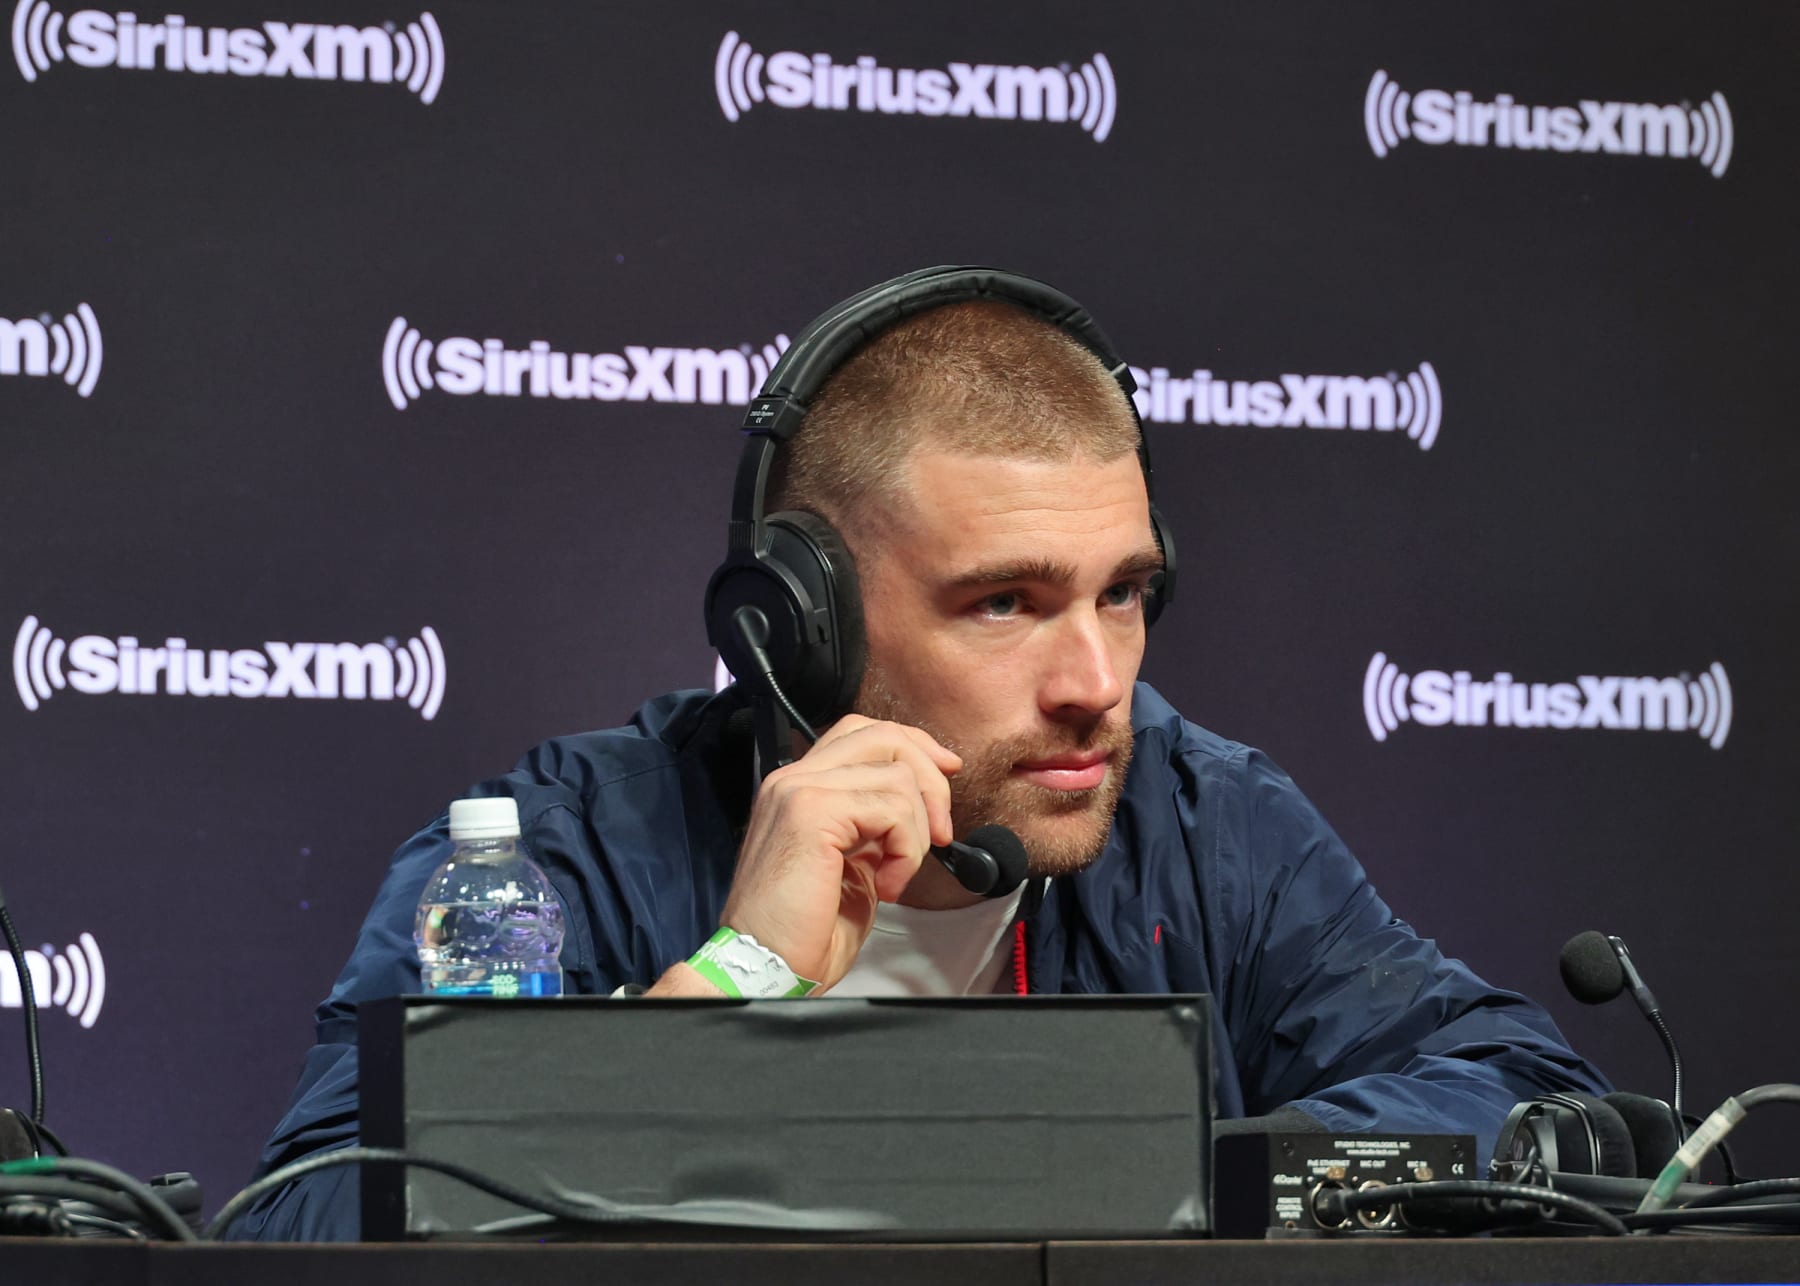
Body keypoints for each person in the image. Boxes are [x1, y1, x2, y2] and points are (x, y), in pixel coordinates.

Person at [234, 270, 1607, 1241]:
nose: (1095, 683)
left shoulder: (1204, 819)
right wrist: (734, 981)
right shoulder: (559, 847)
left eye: (1123, 591)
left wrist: (1184, 1169)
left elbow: (1527, 1098)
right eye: (1005, 600)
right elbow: (303, 1219)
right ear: (801, 627)